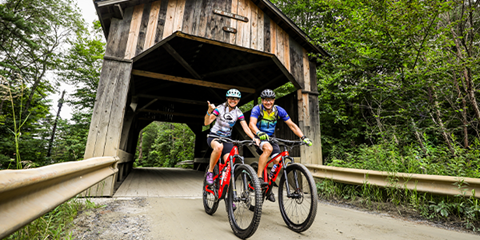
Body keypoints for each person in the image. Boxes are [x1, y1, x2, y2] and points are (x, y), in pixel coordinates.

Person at [249, 89, 312, 202]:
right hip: (260, 137)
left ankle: (268, 186)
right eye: (265, 100)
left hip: (271, 138)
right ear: (262, 100)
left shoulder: (279, 110)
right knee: (268, 148)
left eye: (270, 100)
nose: (268, 102)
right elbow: (251, 125)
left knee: (278, 160)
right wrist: (259, 133)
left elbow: (292, 125)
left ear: (273, 100)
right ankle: (258, 178)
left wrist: (303, 137)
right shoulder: (257, 109)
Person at [204, 89, 260, 185]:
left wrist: (254, 138)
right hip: (214, 137)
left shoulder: (238, 112)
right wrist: (209, 111)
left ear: (238, 100)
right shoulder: (220, 108)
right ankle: (210, 171)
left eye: (236, 99)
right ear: (227, 98)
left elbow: (245, 127)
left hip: (227, 139)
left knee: (230, 165)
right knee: (218, 147)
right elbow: (206, 123)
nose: (233, 100)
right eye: (231, 98)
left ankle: (228, 194)